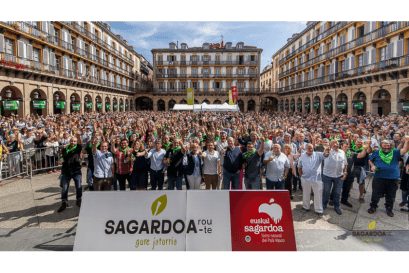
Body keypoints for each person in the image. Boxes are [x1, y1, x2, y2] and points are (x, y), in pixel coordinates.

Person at [368, 138, 409, 217]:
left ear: (391, 146)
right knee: (376, 193)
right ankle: (373, 206)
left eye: (388, 146)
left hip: (393, 178)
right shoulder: (376, 152)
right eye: (384, 146)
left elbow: (405, 150)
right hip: (379, 176)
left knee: (391, 194)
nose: (386, 147)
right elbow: (370, 160)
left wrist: (407, 141)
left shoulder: (395, 152)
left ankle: (389, 208)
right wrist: (372, 166)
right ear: (381, 146)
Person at [298, 143, 330, 217]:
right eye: (309, 148)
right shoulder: (302, 156)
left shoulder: (318, 154)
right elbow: (299, 167)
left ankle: (319, 210)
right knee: (306, 193)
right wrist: (301, 176)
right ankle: (306, 207)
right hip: (305, 178)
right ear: (305, 149)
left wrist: (327, 151)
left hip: (317, 178)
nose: (311, 149)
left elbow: (325, 155)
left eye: (312, 148)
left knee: (318, 194)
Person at [322, 140, 349, 215]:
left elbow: (345, 163)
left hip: (339, 176)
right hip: (327, 175)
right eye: (334, 144)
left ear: (339, 145)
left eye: (337, 144)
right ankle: (324, 204)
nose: (335, 145)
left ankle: (336, 206)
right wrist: (332, 142)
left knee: (337, 192)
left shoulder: (342, 152)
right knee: (326, 191)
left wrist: (345, 172)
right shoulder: (328, 150)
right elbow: (328, 148)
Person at [57, 136, 83, 213]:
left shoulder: (77, 149)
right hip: (66, 171)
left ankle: (78, 200)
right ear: (69, 141)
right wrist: (60, 160)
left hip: (76, 171)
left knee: (78, 187)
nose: (73, 142)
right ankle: (64, 202)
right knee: (64, 188)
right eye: (72, 141)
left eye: (74, 141)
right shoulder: (64, 149)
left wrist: (79, 135)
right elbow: (60, 156)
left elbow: (80, 143)